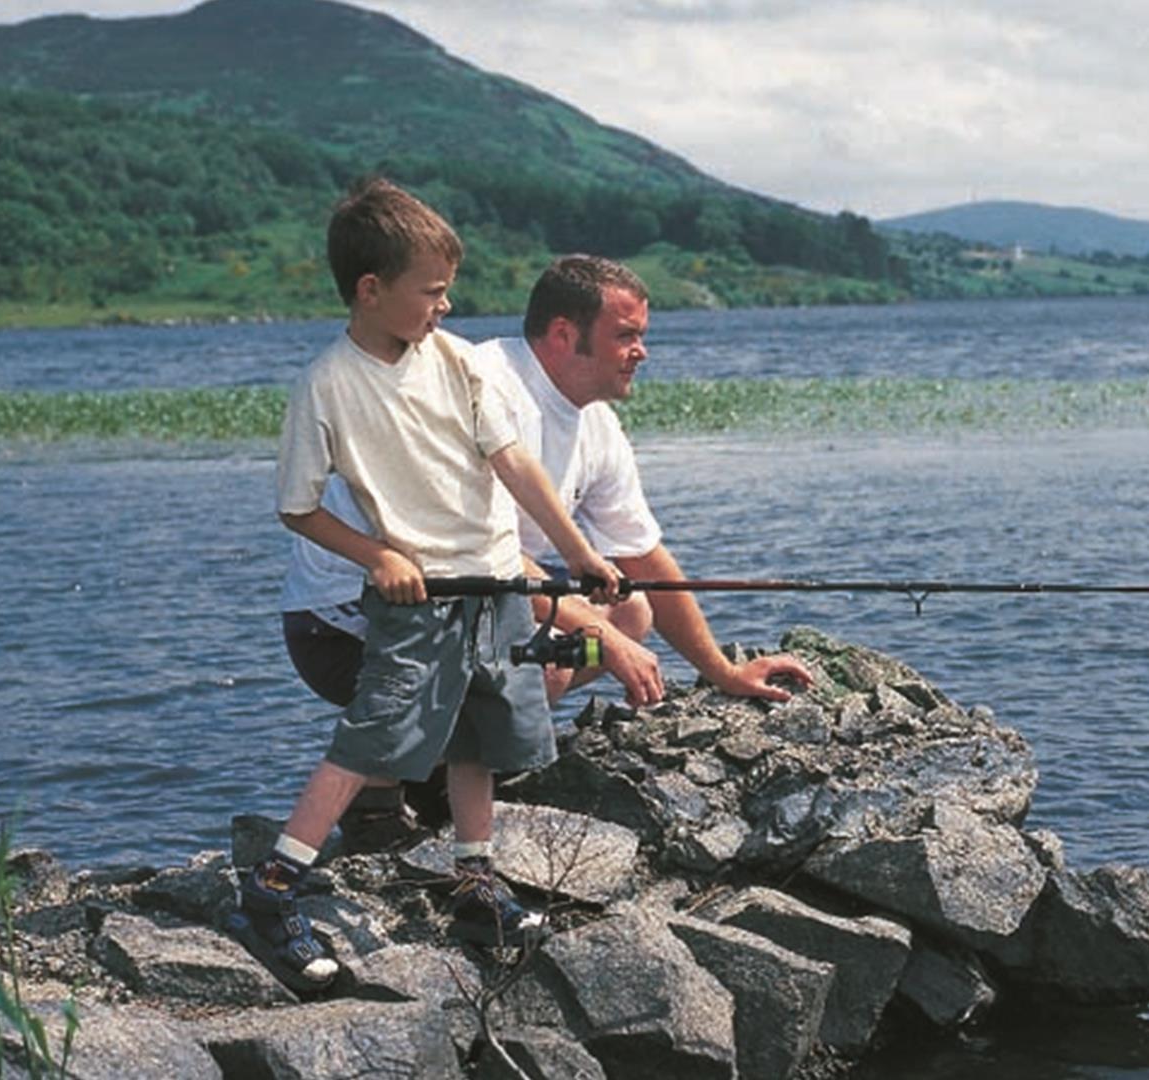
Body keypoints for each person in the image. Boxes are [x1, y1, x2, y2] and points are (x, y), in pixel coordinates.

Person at [281, 256, 814, 848]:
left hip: (461, 593)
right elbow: (482, 554)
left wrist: (724, 672)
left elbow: (643, 559)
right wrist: (607, 643)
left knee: (631, 611)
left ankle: (442, 772)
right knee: (561, 648)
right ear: (564, 334)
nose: (642, 351)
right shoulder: (487, 383)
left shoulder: (597, 425)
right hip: (341, 620)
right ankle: (377, 802)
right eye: (627, 335)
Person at [237, 178, 622, 991]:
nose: (445, 308)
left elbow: (512, 462)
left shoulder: (456, 363)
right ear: (372, 291)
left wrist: (575, 552)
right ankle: (273, 889)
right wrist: (378, 556)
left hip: (494, 589)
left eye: (449, 291)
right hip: (418, 602)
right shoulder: (327, 385)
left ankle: (474, 883)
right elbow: (297, 508)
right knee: (374, 739)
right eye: (432, 292)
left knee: (483, 734)